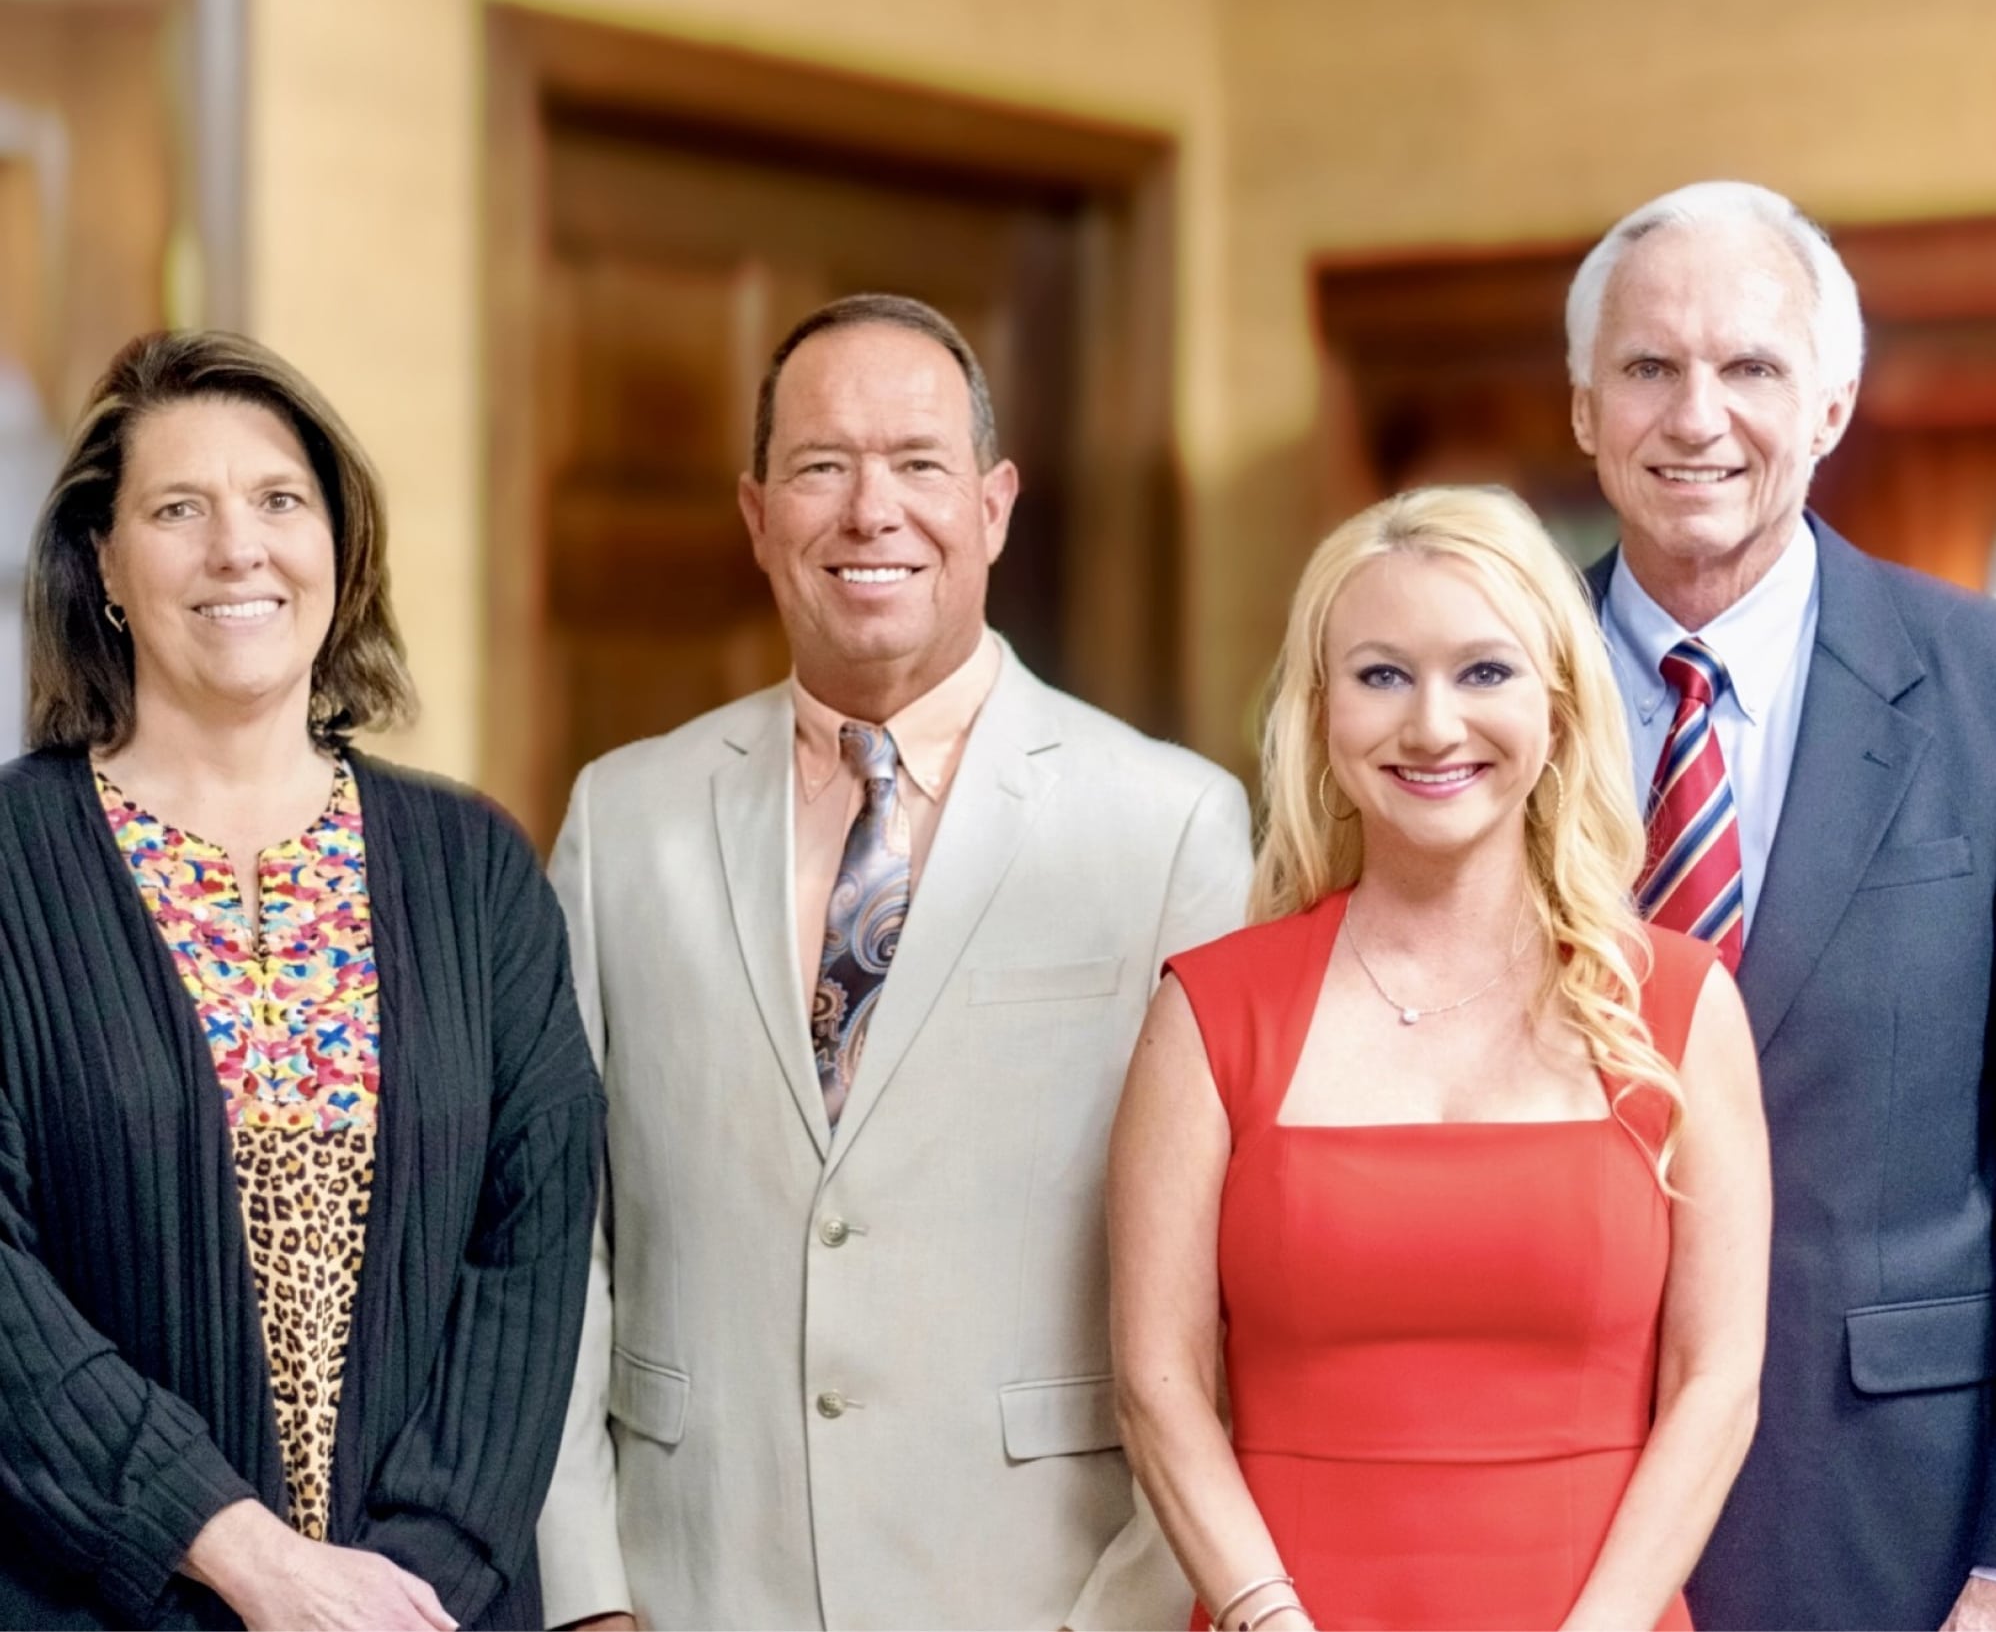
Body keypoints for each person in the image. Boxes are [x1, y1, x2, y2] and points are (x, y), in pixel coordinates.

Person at [535, 293, 1253, 1630]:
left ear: (993, 504)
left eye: (919, 464)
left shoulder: (1171, 827)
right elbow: (557, 1234)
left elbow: (1223, 1277)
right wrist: (588, 1592)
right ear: (758, 515)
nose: (872, 511)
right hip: (692, 1582)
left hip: (1041, 1587)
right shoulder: (621, 817)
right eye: (822, 465)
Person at [0, 331, 604, 1630]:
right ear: (103, 562)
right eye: (178, 508)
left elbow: (534, 1245)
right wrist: (244, 1556)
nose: (239, 547)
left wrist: (403, 1581)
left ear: (339, 544)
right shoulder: (13, 864)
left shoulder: (479, 868)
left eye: (280, 500)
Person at [1110, 484, 1770, 1631]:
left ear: (1559, 706)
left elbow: (1716, 1385)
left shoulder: (1678, 1006)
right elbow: (1157, 1386)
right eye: (1379, 675)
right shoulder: (1208, 1013)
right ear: (1319, 713)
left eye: (1483, 672)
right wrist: (1270, 1618)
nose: (1430, 726)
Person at [1566, 179, 1996, 1632]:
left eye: (1750, 366)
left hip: (1893, 1522)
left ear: (1832, 402)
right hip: (1544, 1504)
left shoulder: (1984, 688)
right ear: (1583, 409)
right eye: (1648, 367)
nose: (1697, 416)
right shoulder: (1474, 692)